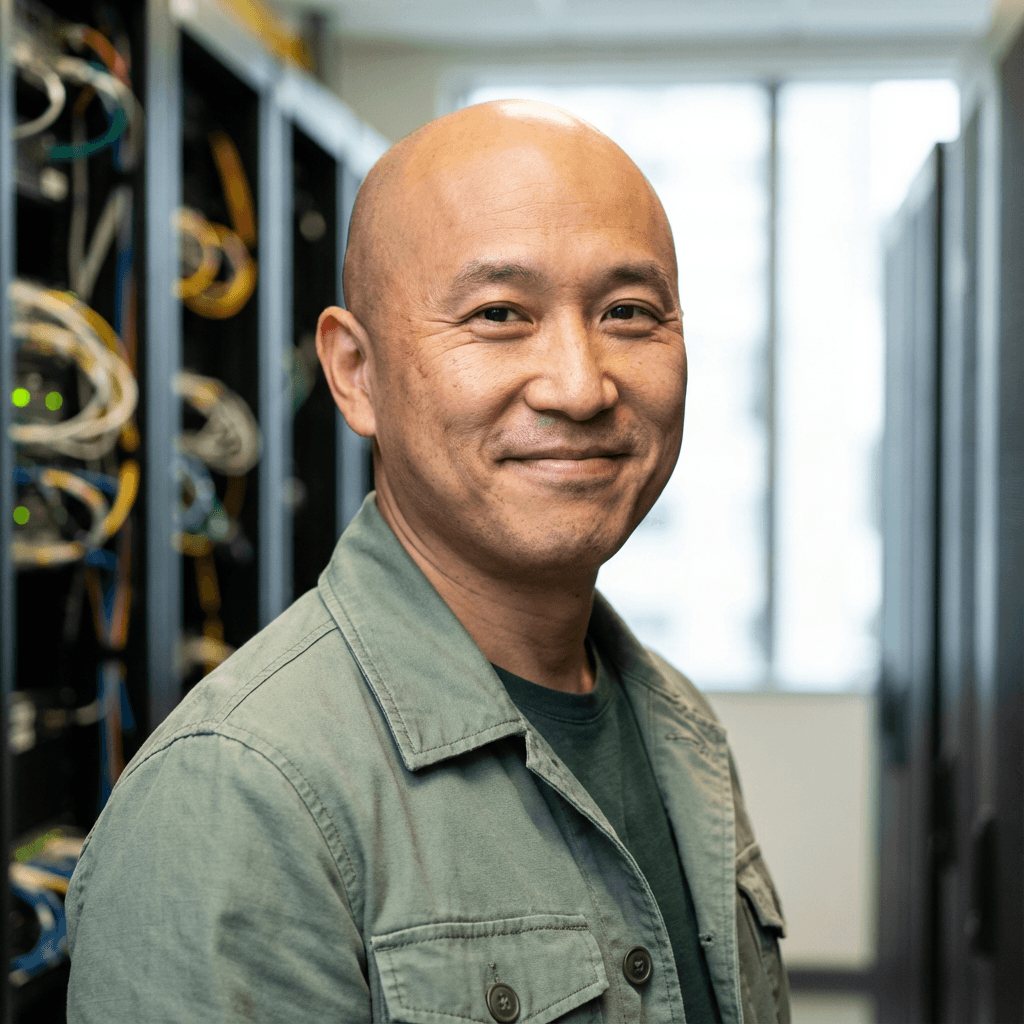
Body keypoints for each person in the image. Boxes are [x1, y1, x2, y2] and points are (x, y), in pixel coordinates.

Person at [65, 99, 789, 1024]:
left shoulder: (679, 729)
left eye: (628, 312)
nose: (579, 384)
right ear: (355, 373)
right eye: (497, 314)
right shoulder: (239, 796)